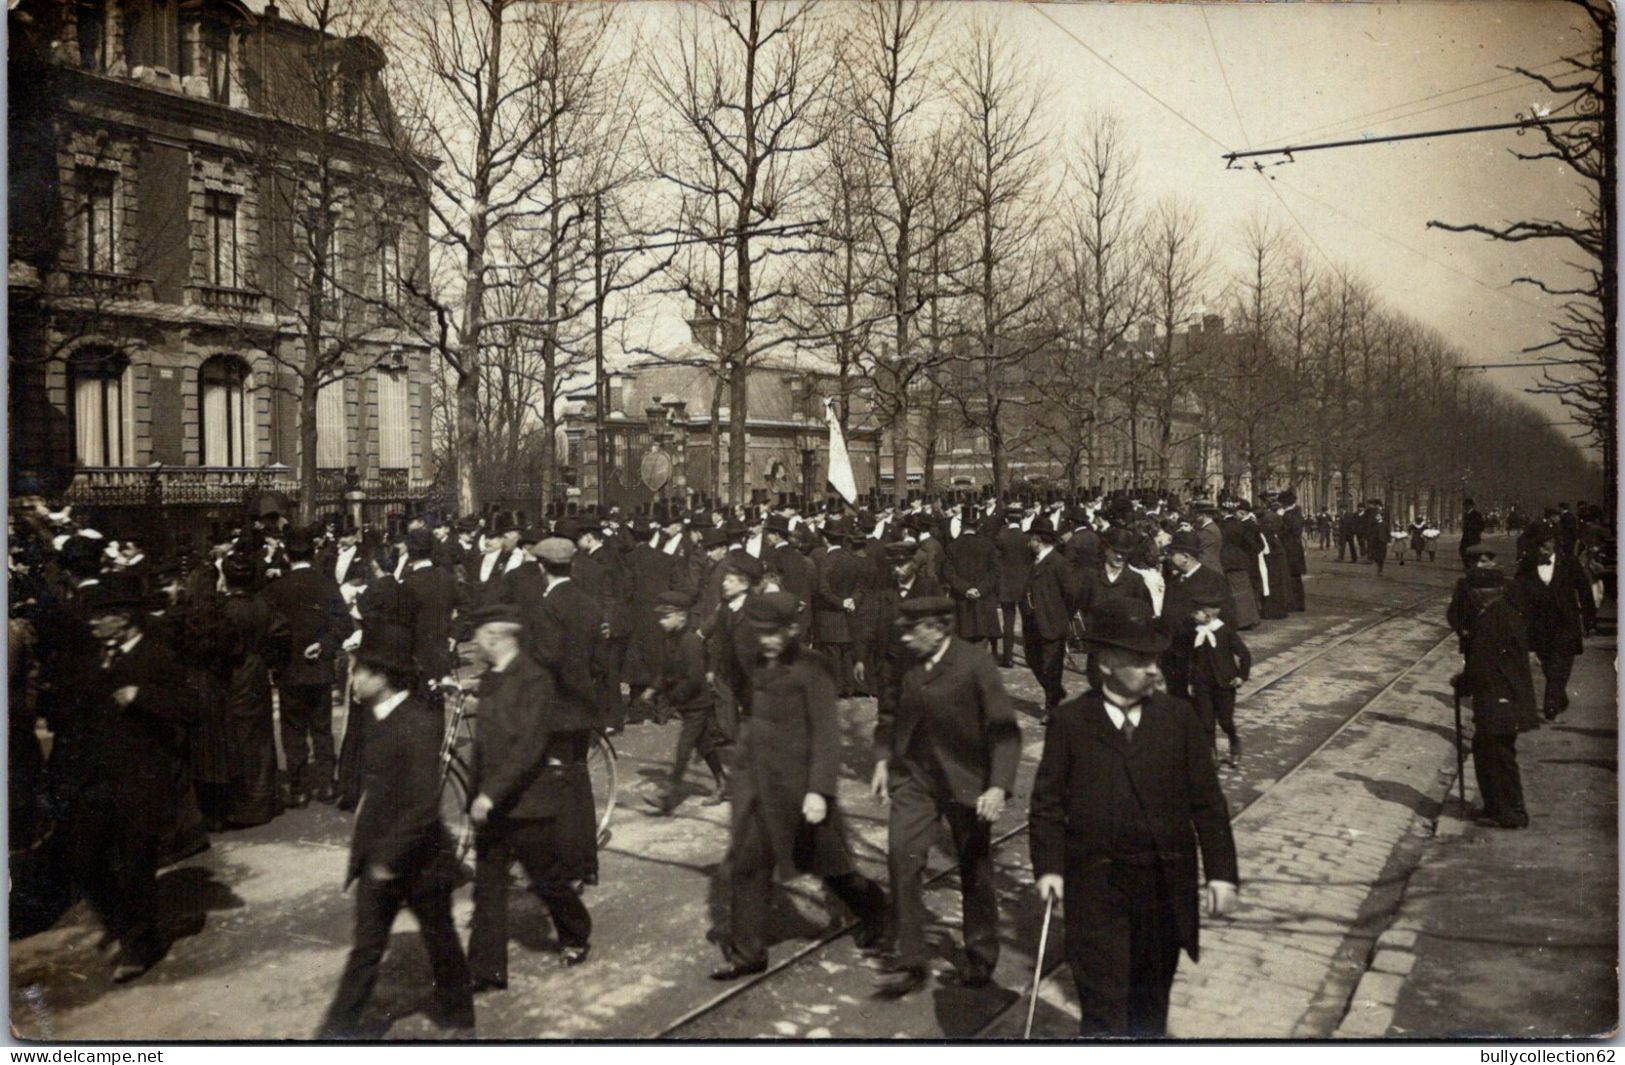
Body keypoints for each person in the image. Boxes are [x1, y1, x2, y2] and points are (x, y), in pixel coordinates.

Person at [1028, 604, 1239, 1037]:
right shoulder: (1070, 722)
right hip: (1095, 886)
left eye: (1156, 661)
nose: (1153, 671)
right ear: (1106, 664)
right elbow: (1047, 805)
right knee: (1101, 1005)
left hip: (1164, 884)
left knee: (1150, 1003)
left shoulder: (1179, 719)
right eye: (1140, 661)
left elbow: (1208, 805)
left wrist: (1221, 874)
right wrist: (1049, 867)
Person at [710, 592, 887, 980]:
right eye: (761, 633)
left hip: (801, 790)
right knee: (748, 865)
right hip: (761, 786)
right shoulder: (756, 661)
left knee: (832, 868)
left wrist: (819, 790)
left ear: (792, 630)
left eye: (774, 633)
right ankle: (748, 953)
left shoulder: (813, 668)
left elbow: (826, 733)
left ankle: (880, 913)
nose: (767, 641)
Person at [318, 626, 473, 1038]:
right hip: (382, 857)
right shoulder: (378, 717)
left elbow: (423, 805)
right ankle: (336, 1034)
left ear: (382, 677)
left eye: (358, 672)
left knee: (440, 940)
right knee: (368, 949)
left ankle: (461, 1020)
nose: (352, 680)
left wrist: (386, 858)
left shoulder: (417, 724)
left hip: (418, 858)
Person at [869, 597, 1020, 996]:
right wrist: (884, 758)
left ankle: (980, 955)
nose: (903, 636)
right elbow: (889, 713)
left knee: (975, 869)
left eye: (911, 629)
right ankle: (911, 958)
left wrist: (997, 785)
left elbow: (1004, 730)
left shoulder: (974, 663)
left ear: (937, 629)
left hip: (969, 782)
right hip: (916, 779)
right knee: (903, 858)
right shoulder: (907, 660)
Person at [71, 575, 199, 983]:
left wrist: (140, 697)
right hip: (99, 775)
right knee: (83, 859)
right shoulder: (98, 656)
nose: (91, 624)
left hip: (143, 776)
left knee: (134, 863)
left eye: (99, 617)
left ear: (122, 618)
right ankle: (123, 923)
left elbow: (191, 707)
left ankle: (141, 944)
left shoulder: (156, 655)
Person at [466, 603, 598, 986]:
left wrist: (489, 794)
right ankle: (486, 971)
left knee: (546, 879)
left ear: (497, 637)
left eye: (480, 636)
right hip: (491, 805)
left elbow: (529, 746)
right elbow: (488, 742)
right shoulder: (492, 678)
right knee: (488, 889)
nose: (475, 643)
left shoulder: (535, 679)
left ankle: (576, 932)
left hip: (527, 804)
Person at [261, 527, 352, 808]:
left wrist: (277, 661)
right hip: (320, 669)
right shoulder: (326, 585)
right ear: (313, 554)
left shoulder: (275, 589)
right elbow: (345, 624)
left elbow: (267, 632)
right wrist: (324, 645)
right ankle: (325, 784)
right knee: (322, 727)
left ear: (287, 555)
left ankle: (299, 787)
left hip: (289, 670)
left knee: (293, 729)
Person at [1455, 569, 1538, 829]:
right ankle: (1496, 807)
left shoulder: (1491, 620)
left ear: (1482, 593)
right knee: (1487, 752)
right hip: (1502, 696)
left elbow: (1481, 664)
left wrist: (1463, 683)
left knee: (1499, 756)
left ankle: (1512, 812)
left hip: (1500, 698)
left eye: (1474, 591)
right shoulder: (1501, 614)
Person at [646, 592, 727, 814]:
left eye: (666, 617)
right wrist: (652, 688)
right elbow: (665, 670)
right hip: (688, 704)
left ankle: (668, 796)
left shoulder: (690, 641)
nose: (661, 621)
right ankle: (722, 782)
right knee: (704, 745)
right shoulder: (671, 639)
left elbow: (695, 679)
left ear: (681, 617)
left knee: (684, 748)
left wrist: (671, 698)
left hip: (697, 704)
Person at [1511, 525, 1593, 722]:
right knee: (1548, 663)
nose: (1541, 550)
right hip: (1539, 624)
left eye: (1544, 545)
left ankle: (1551, 702)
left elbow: (1584, 591)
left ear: (1553, 544)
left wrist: (1589, 620)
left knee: (1561, 660)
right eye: (1537, 546)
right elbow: (1515, 593)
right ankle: (1559, 695)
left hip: (1565, 622)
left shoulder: (1569, 563)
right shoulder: (1527, 565)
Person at [1022, 524, 1082, 716]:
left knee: (1051, 667)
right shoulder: (1035, 560)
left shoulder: (1058, 562)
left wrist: (1061, 615)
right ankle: (1055, 692)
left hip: (1052, 623)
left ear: (1038, 541)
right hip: (1033, 622)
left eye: (1030, 538)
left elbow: (1072, 594)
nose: (1028, 542)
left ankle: (1051, 709)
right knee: (1032, 660)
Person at [1188, 593, 1250, 767]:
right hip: (1203, 684)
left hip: (1224, 683)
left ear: (1207, 615)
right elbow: (1192, 660)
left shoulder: (1225, 632)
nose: (1193, 616)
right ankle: (1211, 754)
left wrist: (1240, 676)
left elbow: (1244, 654)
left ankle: (1234, 742)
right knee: (1206, 722)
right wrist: (1191, 682)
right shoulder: (1196, 633)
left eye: (1196, 613)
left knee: (1225, 720)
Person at [994, 506, 1032, 669]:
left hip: (1006, 585)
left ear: (1007, 520)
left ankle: (1008, 658)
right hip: (1024, 585)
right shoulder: (1027, 538)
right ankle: (1030, 658)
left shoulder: (1001, 537)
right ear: (1021, 520)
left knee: (1008, 623)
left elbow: (995, 562)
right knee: (1027, 622)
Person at [1459, 498, 1485, 568]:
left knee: (1472, 552)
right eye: (1464, 506)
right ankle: (1468, 565)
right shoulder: (1466, 514)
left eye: (1466, 506)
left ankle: (1470, 566)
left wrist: (1474, 530)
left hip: (1473, 537)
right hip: (1466, 537)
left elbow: (1482, 526)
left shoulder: (1477, 514)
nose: (1464, 507)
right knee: (1462, 550)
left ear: (1470, 506)